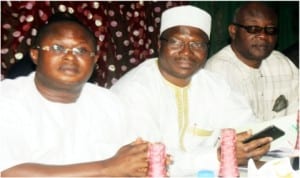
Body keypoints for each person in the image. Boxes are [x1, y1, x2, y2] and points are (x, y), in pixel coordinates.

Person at [111, 5, 272, 176]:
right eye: (176, 42)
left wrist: (252, 144)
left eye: (197, 44)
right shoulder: (134, 89)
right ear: (159, 44)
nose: (186, 52)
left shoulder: (214, 84)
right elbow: (149, 159)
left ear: (207, 49)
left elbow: (247, 124)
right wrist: (219, 156)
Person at [0, 13, 151, 177]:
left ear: (95, 60)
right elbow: (8, 173)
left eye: (82, 50)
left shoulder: (109, 103)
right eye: (58, 48)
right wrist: (107, 168)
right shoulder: (8, 99)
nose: (70, 56)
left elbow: (127, 163)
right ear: (36, 55)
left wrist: (144, 164)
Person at [205, 2, 299, 120]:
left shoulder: (281, 63)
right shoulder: (218, 71)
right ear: (233, 31)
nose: (263, 36)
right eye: (253, 29)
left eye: (270, 30)